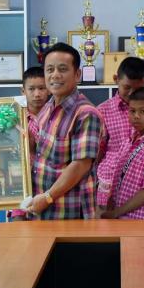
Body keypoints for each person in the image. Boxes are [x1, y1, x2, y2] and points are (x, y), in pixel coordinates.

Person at [26, 43, 106, 219]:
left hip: (69, 213)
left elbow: (81, 165)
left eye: (62, 69)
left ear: (77, 75)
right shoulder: (47, 107)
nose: (55, 75)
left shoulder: (86, 114)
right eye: (50, 69)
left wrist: (47, 197)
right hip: (42, 208)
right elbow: (43, 155)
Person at [97, 57, 144, 188]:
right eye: (126, 87)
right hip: (109, 178)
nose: (131, 93)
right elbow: (99, 150)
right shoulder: (103, 111)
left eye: (137, 89)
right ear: (116, 79)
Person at [98, 88, 144, 220]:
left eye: (143, 111)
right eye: (132, 111)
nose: (136, 116)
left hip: (141, 220)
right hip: (122, 217)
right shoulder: (128, 142)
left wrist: (117, 212)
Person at [8, 67, 49, 221]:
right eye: (31, 89)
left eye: (42, 88)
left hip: (49, 185)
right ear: (23, 91)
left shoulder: (56, 117)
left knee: (47, 228)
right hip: (21, 184)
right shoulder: (13, 118)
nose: (37, 94)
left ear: (49, 89)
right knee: (19, 226)